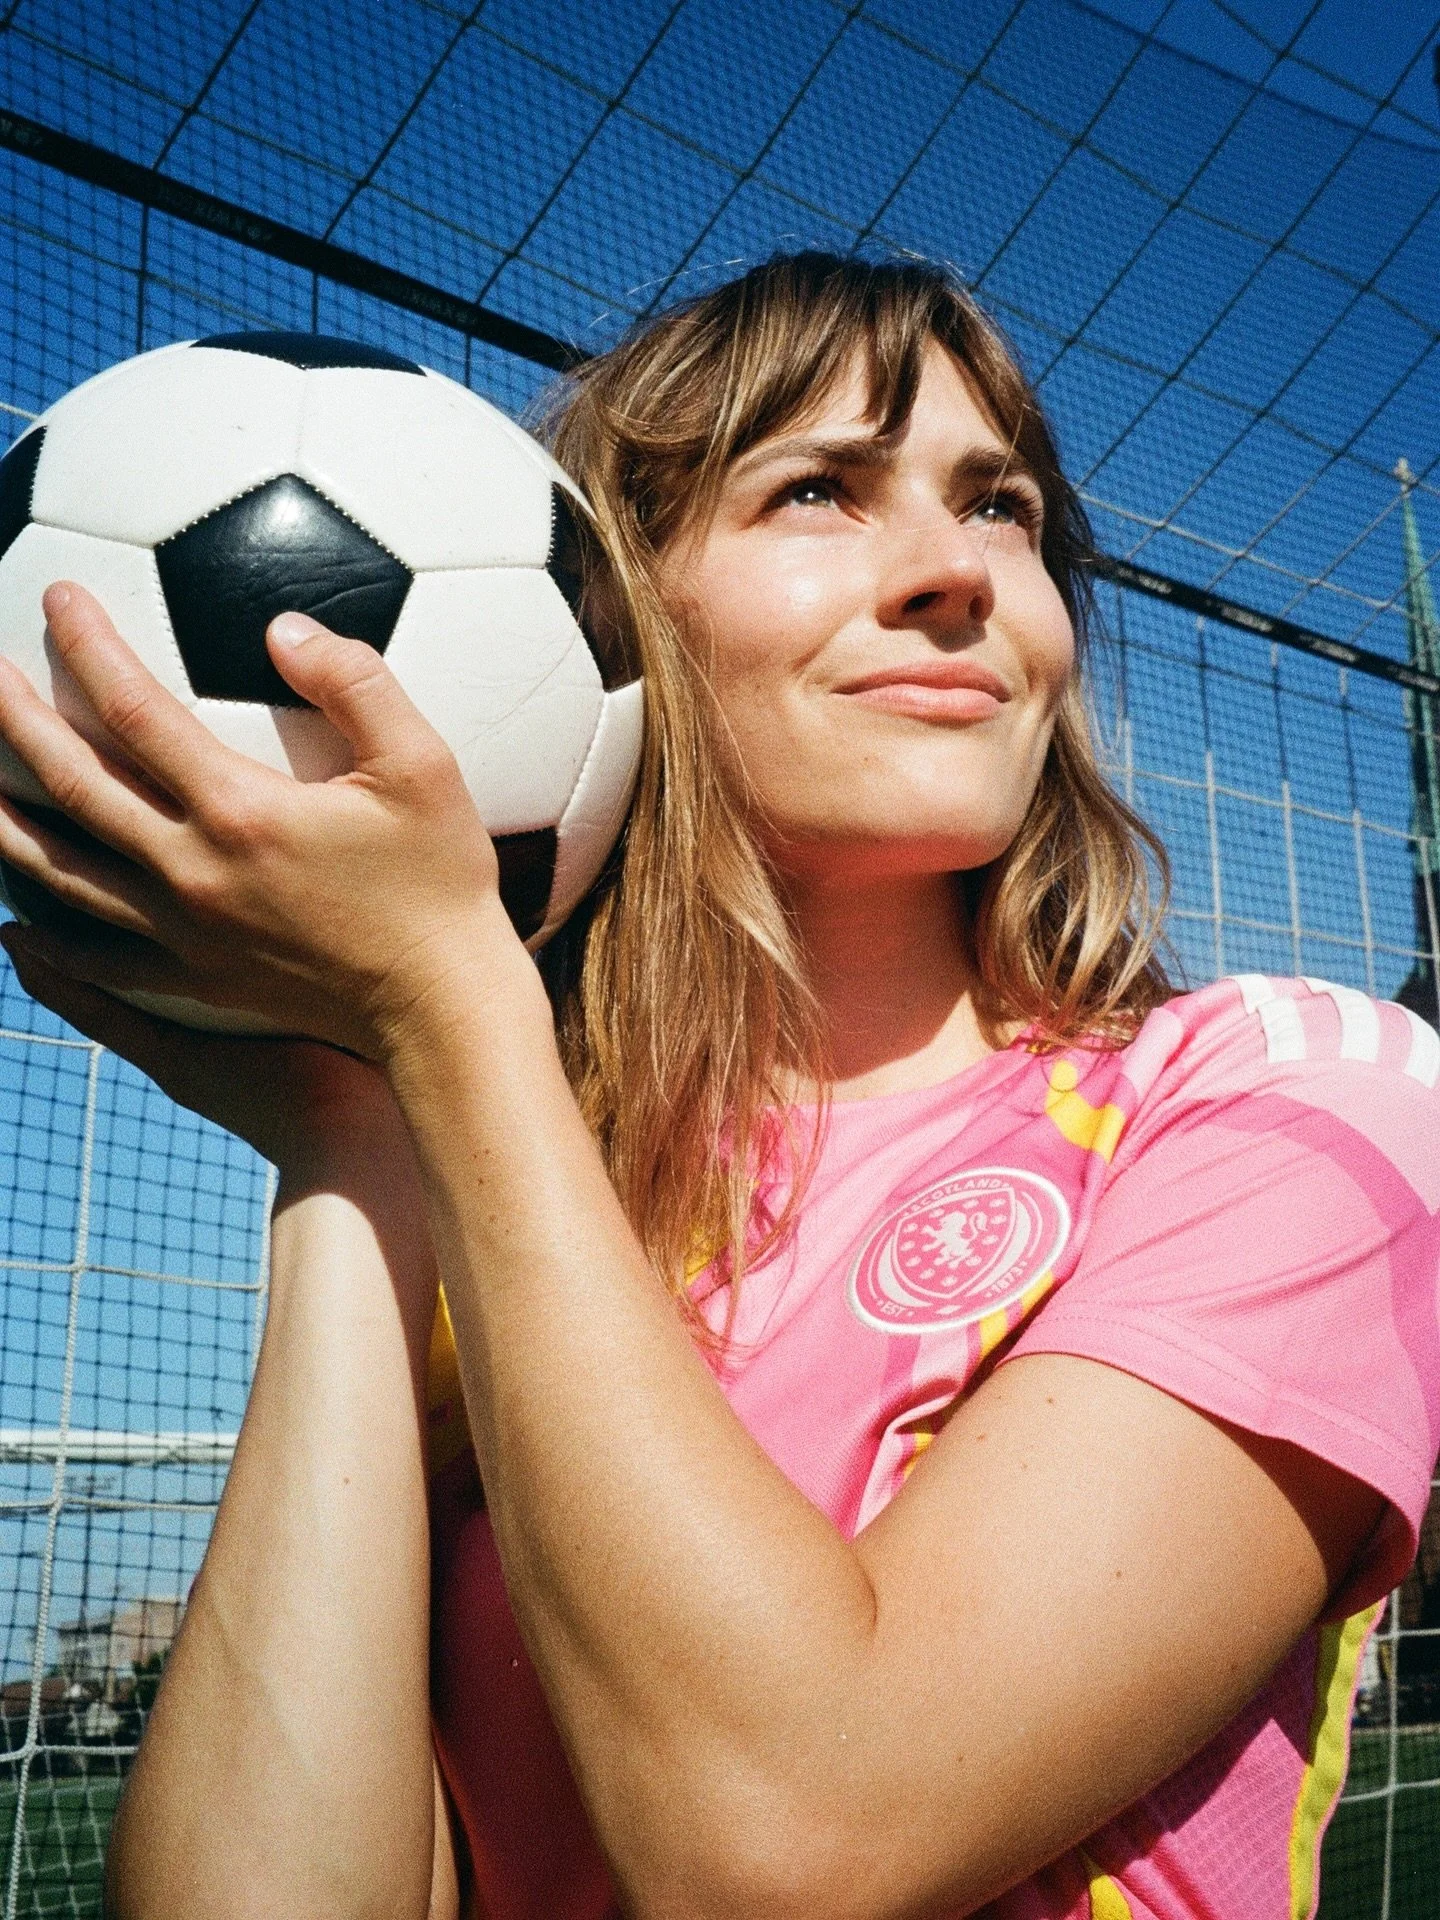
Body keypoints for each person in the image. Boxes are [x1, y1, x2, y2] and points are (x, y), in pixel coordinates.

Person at [0, 253, 1435, 1920]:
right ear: (614, 625)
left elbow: (794, 1840)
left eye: (1004, 508)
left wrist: (450, 1001)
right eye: (819, 489)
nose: (955, 574)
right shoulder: (517, 1202)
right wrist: (354, 1133)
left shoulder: (1297, 1099)